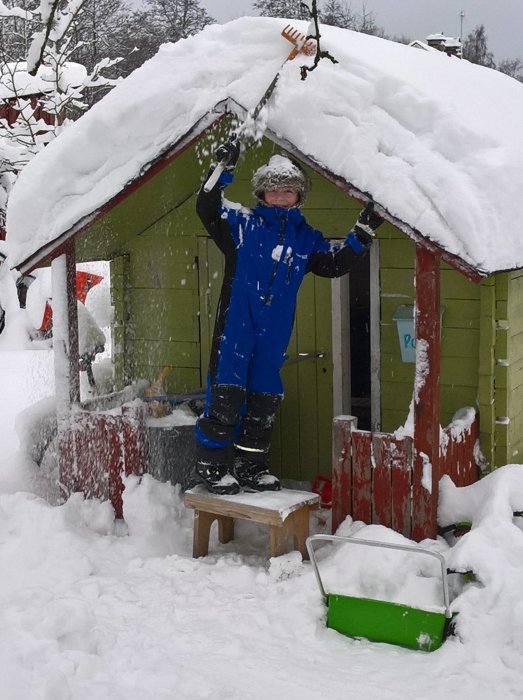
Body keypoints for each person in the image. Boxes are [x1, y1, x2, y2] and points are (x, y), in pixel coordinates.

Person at [194, 140, 383, 495]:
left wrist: (362, 232)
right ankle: (212, 465)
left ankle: (251, 466)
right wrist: (222, 170)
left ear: (298, 197)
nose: (280, 196)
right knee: (226, 396)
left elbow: (334, 264)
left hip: (274, 333)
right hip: (237, 324)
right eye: (273, 190)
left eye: (288, 191)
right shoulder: (241, 225)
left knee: (264, 399)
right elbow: (206, 207)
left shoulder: (306, 238)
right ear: (261, 194)